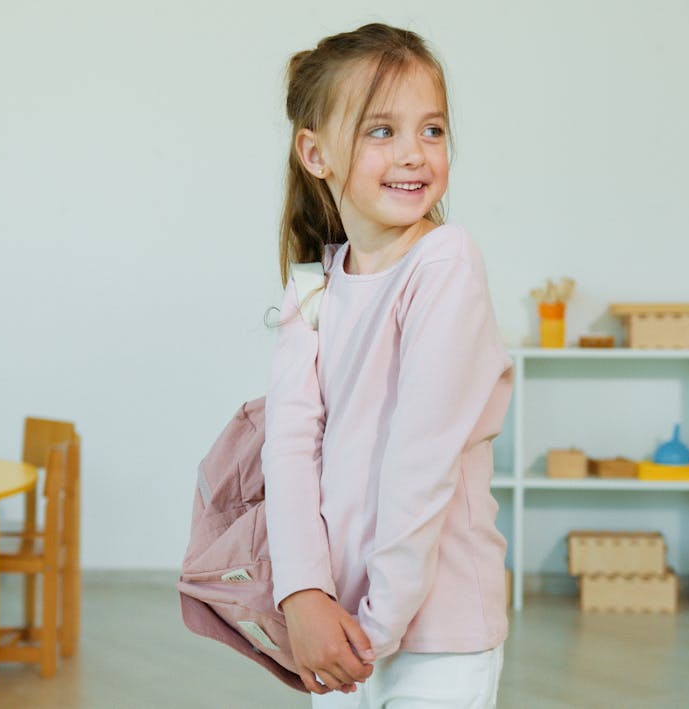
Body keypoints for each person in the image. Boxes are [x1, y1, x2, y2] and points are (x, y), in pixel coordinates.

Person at [261, 23, 513, 708]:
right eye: (381, 131)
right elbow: (287, 451)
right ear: (316, 153)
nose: (414, 154)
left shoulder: (444, 262)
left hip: (434, 634)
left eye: (432, 130)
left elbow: (419, 461)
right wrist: (304, 595)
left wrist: (374, 628)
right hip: (340, 629)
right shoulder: (313, 285)